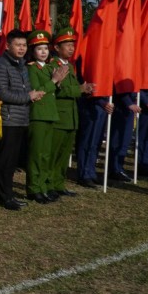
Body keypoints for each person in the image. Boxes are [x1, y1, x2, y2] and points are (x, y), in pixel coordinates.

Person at [0, 29, 43, 210]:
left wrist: (30, 95)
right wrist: (28, 96)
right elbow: (3, 93)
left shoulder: (21, 64)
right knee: (5, 160)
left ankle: (9, 194)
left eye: (24, 45)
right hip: (9, 118)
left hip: (21, 118)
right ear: (7, 45)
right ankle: (4, 197)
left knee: (12, 161)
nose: (21, 48)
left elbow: (24, 89)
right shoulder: (1, 65)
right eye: (18, 45)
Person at [49, 28, 92, 194]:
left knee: (64, 154)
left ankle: (59, 184)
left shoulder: (70, 66)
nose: (71, 48)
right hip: (59, 117)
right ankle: (49, 184)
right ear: (57, 48)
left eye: (72, 45)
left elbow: (73, 89)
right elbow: (58, 91)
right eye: (67, 45)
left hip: (71, 117)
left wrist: (85, 89)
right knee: (54, 154)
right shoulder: (53, 65)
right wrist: (80, 89)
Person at [26, 29, 66, 203]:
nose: (43, 52)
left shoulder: (51, 68)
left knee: (46, 154)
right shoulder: (32, 69)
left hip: (50, 114)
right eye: (39, 48)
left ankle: (43, 186)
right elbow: (38, 90)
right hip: (38, 114)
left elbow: (55, 89)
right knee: (36, 153)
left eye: (45, 48)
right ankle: (34, 188)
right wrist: (54, 81)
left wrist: (58, 82)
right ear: (33, 51)